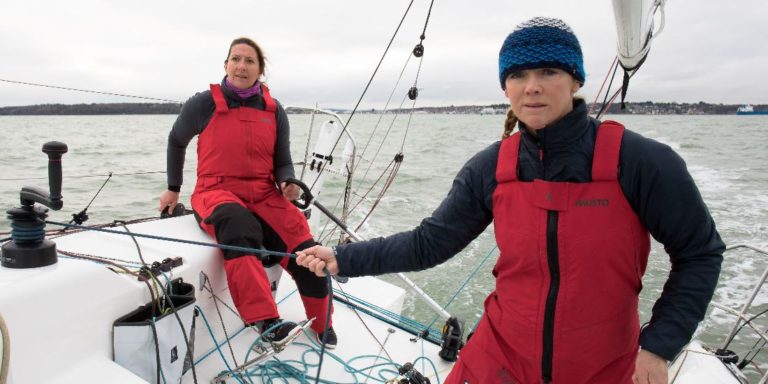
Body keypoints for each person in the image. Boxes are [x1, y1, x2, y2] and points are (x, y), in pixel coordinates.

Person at [297, 17, 723, 383]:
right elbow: (431, 243)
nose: (532, 87)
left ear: (576, 79)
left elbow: (700, 253)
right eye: (518, 75)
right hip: (499, 355)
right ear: (505, 86)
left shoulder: (640, 162)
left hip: (604, 363)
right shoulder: (490, 168)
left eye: (548, 72)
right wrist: (343, 258)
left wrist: (660, 344)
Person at [158, 37, 336, 348]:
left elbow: (282, 161)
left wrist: (287, 182)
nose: (242, 66)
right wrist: (173, 190)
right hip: (216, 190)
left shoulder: (274, 109)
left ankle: (322, 322)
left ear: (260, 70)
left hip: (265, 194)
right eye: (235, 59)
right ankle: (265, 320)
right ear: (225, 64)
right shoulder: (203, 103)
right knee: (239, 225)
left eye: (249, 61)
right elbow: (176, 141)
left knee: (304, 243)